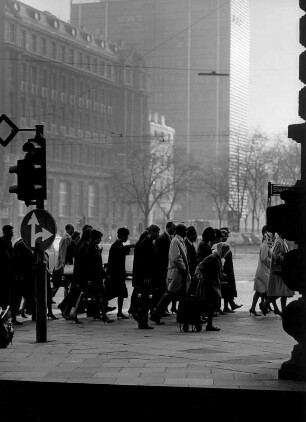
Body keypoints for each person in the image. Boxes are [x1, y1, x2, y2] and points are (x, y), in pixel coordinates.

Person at [151, 223, 190, 325]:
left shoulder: (179, 240)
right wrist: (183, 268)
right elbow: (176, 257)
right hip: (177, 273)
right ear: (181, 231)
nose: (187, 232)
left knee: (181, 295)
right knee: (169, 295)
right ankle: (156, 314)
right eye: (185, 230)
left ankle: (181, 317)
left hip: (179, 273)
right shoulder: (175, 241)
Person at [194, 242, 230, 331]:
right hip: (208, 284)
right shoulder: (213, 257)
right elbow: (200, 266)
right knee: (208, 304)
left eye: (226, 252)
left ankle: (208, 324)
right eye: (223, 251)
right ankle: (206, 323)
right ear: (219, 249)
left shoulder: (217, 258)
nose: (224, 254)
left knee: (211, 304)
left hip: (213, 284)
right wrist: (198, 276)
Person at [132, 224, 160, 329]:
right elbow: (143, 262)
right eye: (156, 232)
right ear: (151, 232)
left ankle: (142, 320)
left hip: (147, 275)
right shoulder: (146, 243)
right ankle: (142, 319)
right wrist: (145, 276)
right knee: (144, 299)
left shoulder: (148, 243)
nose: (158, 234)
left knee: (146, 299)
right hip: (145, 276)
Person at [83, 229, 113, 323]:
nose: (100, 240)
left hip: (97, 276)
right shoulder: (91, 248)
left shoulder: (94, 247)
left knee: (97, 296)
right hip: (94, 277)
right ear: (95, 238)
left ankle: (98, 313)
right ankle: (103, 315)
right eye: (99, 238)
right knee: (98, 295)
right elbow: (91, 265)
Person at [264, 231, 294, 317]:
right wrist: (287, 257)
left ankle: (281, 310)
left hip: (282, 271)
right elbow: (277, 256)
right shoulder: (279, 242)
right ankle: (266, 304)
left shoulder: (282, 241)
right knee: (281, 292)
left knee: (283, 292)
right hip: (279, 271)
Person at [106, 227, 132, 319]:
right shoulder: (116, 246)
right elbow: (112, 262)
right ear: (122, 236)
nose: (127, 238)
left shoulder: (119, 245)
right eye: (126, 236)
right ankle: (102, 307)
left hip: (120, 274)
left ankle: (120, 311)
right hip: (115, 274)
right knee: (112, 293)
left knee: (120, 293)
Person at [249, 226, 273, 316]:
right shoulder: (265, 245)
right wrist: (272, 262)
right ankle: (264, 306)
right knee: (267, 291)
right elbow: (264, 258)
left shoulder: (266, 244)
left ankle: (254, 308)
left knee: (260, 291)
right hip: (264, 271)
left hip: (263, 270)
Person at [0, 225, 22, 325]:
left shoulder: (8, 242)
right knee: (6, 299)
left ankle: (11, 318)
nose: (12, 233)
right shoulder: (2, 242)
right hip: (5, 276)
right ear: (5, 232)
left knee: (12, 298)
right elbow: (7, 260)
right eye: (11, 231)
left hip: (9, 275)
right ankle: (7, 319)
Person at [154, 221, 176, 314]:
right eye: (173, 228)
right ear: (168, 227)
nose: (174, 230)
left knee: (164, 289)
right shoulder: (163, 238)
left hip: (166, 268)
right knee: (162, 289)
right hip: (162, 268)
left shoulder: (167, 238)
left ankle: (163, 309)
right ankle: (160, 309)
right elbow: (159, 255)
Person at [220, 227, 242, 313]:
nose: (227, 236)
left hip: (228, 270)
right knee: (225, 289)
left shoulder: (225, 244)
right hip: (225, 271)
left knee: (227, 289)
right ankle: (228, 305)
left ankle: (228, 306)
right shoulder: (221, 245)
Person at [13, 238, 35, 319]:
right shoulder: (22, 245)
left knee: (27, 296)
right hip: (24, 275)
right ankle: (15, 316)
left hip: (26, 275)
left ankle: (23, 312)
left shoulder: (24, 244)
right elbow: (19, 261)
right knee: (24, 296)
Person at [52, 223, 75, 297]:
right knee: (59, 283)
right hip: (63, 265)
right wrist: (63, 265)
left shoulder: (68, 238)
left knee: (65, 284)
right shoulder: (65, 239)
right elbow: (63, 252)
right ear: (67, 229)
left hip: (65, 265)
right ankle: (50, 296)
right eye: (72, 229)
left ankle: (64, 298)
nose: (73, 231)